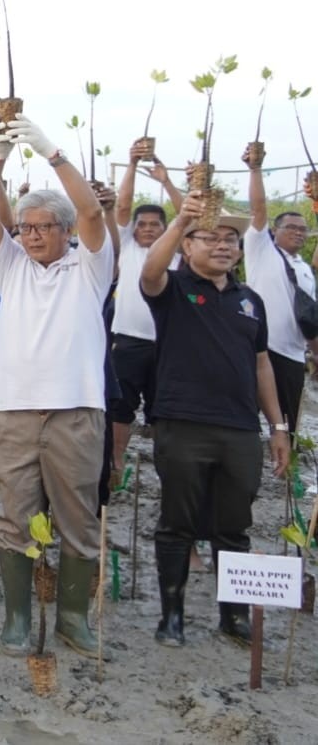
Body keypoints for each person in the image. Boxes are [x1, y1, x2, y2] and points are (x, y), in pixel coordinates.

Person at [0, 116, 114, 659]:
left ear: (64, 231)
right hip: (13, 414)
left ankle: (73, 620)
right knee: (14, 516)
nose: (30, 235)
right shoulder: (11, 268)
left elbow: (92, 211)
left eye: (42, 228)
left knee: (77, 518)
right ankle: (16, 620)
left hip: (77, 414)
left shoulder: (90, 267)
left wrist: (50, 150)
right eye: (26, 227)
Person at [140, 193, 289, 647]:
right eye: (211, 238)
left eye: (231, 240)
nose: (224, 246)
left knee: (234, 525)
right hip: (183, 423)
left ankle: (234, 615)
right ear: (187, 247)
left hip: (241, 428)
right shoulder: (174, 290)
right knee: (176, 523)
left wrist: (277, 427)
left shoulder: (251, 301)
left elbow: (261, 363)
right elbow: (149, 272)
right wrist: (182, 218)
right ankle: (172, 616)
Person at [109, 142, 184, 476]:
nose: (149, 229)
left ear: (166, 229)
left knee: (165, 411)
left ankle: (166, 467)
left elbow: (189, 216)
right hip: (126, 341)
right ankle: (116, 461)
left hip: (169, 345)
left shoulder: (178, 253)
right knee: (121, 408)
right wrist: (131, 164)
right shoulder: (125, 246)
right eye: (143, 224)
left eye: (156, 224)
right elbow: (122, 206)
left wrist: (167, 182)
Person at [245, 148, 315, 435]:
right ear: (274, 231)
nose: (298, 232)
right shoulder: (261, 250)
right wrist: (255, 169)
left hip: (293, 355)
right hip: (259, 348)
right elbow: (259, 208)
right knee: (246, 414)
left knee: (287, 424)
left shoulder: (305, 268)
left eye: (303, 229)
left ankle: (288, 474)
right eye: (291, 227)